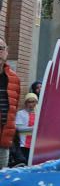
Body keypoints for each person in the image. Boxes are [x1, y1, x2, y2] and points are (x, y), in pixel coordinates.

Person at [0, 38, 21, 168]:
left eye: (1, 48)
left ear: (6, 52)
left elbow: (14, 108)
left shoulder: (14, 79)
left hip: (4, 140)